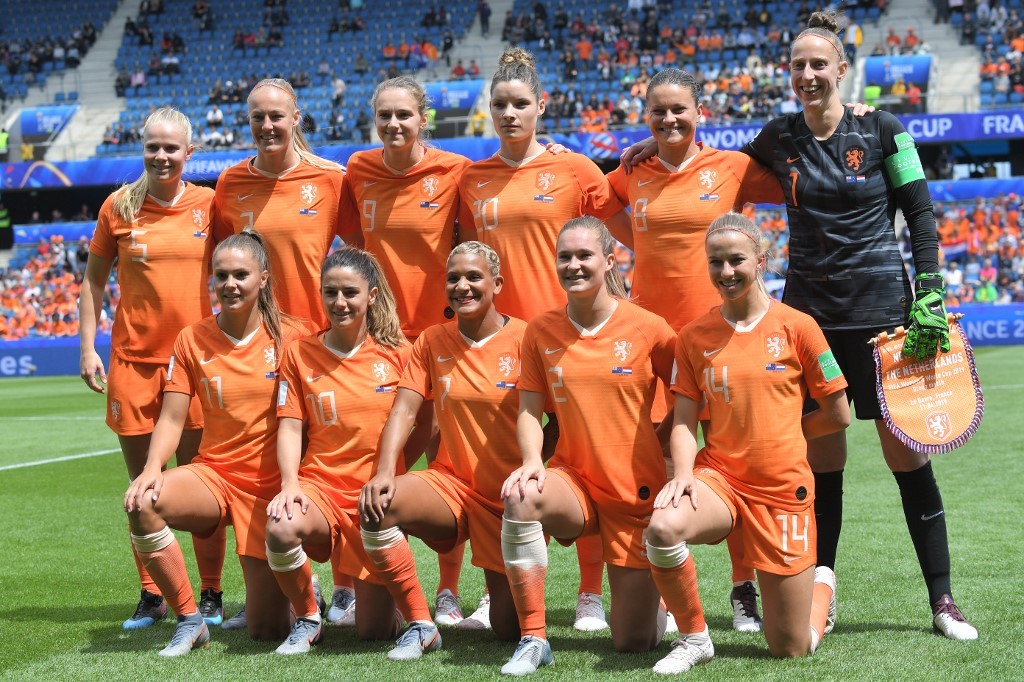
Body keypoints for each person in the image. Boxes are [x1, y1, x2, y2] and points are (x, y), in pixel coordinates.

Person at [737, 11, 977, 640]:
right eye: (798, 66)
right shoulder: (778, 136)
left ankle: (943, 602)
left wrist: (928, 292)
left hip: (884, 324)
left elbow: (921, 214)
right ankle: (822, 593)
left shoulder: (885, 130)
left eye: (820, 64)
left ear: (843, 69)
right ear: (788, 76)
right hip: (813, 328)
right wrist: (651, 149)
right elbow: (719, 171)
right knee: (824, 466)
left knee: (907, 459)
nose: (809, 74)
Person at [459, 47, 633, 632]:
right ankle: (492, 591)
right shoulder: (472, 178)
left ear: (542, 105)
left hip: (572, 342)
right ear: (489, 110)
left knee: (586, 463)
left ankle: (589, 595)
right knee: (501, 468)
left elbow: (628, 231)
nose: (510, 113)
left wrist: (645, 150)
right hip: (502, 350)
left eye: (520, 104)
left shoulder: (576, 170)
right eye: (500, 105)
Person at [605, 66, 783, 633]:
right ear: (646, 116)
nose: (669, 119)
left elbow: (799, 175)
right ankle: (662, 587)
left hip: (724, 339)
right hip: (653, 344)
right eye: (658, 111)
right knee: (655, 458)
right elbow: (596, 199)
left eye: (679, 109)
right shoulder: (633, 174)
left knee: (733, 461)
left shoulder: (732, 167)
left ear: (700, 112)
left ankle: (742, 587)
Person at [643, 211, 850, 674]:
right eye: (716, 262)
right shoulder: (694, 337)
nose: (726, 272)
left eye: (736, 260)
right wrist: (681, 477)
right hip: (721, 479)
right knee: (662, 527)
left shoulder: (799, 326)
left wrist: (785, 437)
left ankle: (822, 588)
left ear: (760, 259)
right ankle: (695, 637)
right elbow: (682, 422)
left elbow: (838, 414)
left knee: (790, 647)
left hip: (783, 490)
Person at [499, 216, 678, 675]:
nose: (574, 265)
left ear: (609, 261)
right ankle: (534, 637)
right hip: (573, 480)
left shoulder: (650, 328)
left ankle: (657, 604)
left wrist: (661, 444)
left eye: (584, 256)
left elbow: (690, 398)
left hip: (632, 492)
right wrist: (533, 461)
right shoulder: (540, 331)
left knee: (632, 642)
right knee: (521, 495)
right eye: (565, 256)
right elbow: (528, 410)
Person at [359, 241, 552, 660]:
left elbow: (556, 421)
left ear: (497, 284)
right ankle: (421, 624)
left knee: (506, 630)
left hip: (507, 499)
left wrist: (536, 467)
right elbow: (403, 411)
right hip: (450, 485)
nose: (462, 286)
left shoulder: (528, 337)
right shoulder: (430, 341)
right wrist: (384, 471)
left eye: (473, 277)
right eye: (453, 278)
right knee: (379, 504)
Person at [78, 107, 228, 630]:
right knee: (141, 485)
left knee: (203, 484)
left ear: (191, 153)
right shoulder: (118, 206)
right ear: (141, 149)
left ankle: (210, 592)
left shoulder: (212, 206)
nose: (161, 156)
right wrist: (86, 348)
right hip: (131, 366)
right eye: (152, 147)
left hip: (195, 366)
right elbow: (93, 282)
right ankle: (152, 594)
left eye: (171, 148)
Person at [123, 231, 305, 656]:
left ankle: (300, 584)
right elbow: (171, 416)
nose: (230, 284)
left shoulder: (296, 336)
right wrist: (153, 469)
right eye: (221, 275)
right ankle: (190, 619)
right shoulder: (192, 338)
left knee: (266, 629)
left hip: (272, 488)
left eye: (241, 274)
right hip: (216, 476)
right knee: (142, 502)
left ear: (263, 277)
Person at [339, 75, 474, 628]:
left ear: (424, 120)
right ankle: (351, 587)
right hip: (380, 345)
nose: (393, 125)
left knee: (448, 464)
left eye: (404, 115)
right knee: (370, 464)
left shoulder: (455, 171)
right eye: (384, 115)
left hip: (441, 344)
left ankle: (446, 592)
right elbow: (352, 251)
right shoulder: (358, 171)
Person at [265, 248, 410, 654]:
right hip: (320, 490)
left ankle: (390, 608)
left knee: (374, 633)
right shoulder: (299, 353)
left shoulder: (399, 353)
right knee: (280, 526)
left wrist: (392, 472)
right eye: (331, 293)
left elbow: (424, 421)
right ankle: (309, 616)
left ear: (373, 296)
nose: (340, 302)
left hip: (371, 501)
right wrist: (290, 484)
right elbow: (290, 425)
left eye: (350, 292)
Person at [213, 78, 345, 331]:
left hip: (315, 333)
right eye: (257, 117)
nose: (267, 126)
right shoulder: (230, 182)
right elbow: (222, 262)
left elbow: (361, 254)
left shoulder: (331, 179)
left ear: (295, 118)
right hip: (250, 337)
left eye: (276, 116)